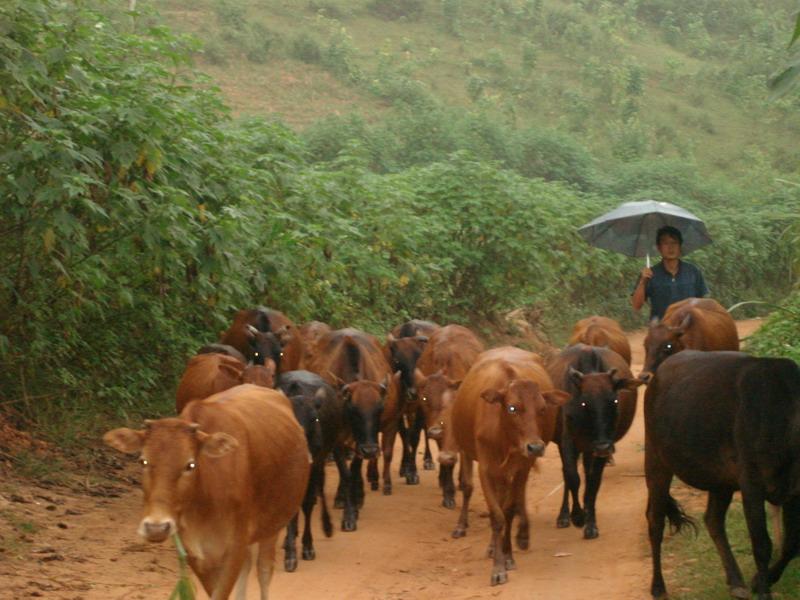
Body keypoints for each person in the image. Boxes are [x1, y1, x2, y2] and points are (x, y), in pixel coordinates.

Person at [631, 225, 708, 321]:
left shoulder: (693, 272)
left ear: (680, 246)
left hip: (689, 331)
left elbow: (702, 304)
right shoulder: (649, 274)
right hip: (661, 331)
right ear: (659, 248)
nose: (670, 247)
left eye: (674, 243)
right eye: (665, 243)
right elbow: (636, 306)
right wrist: (643, 281)